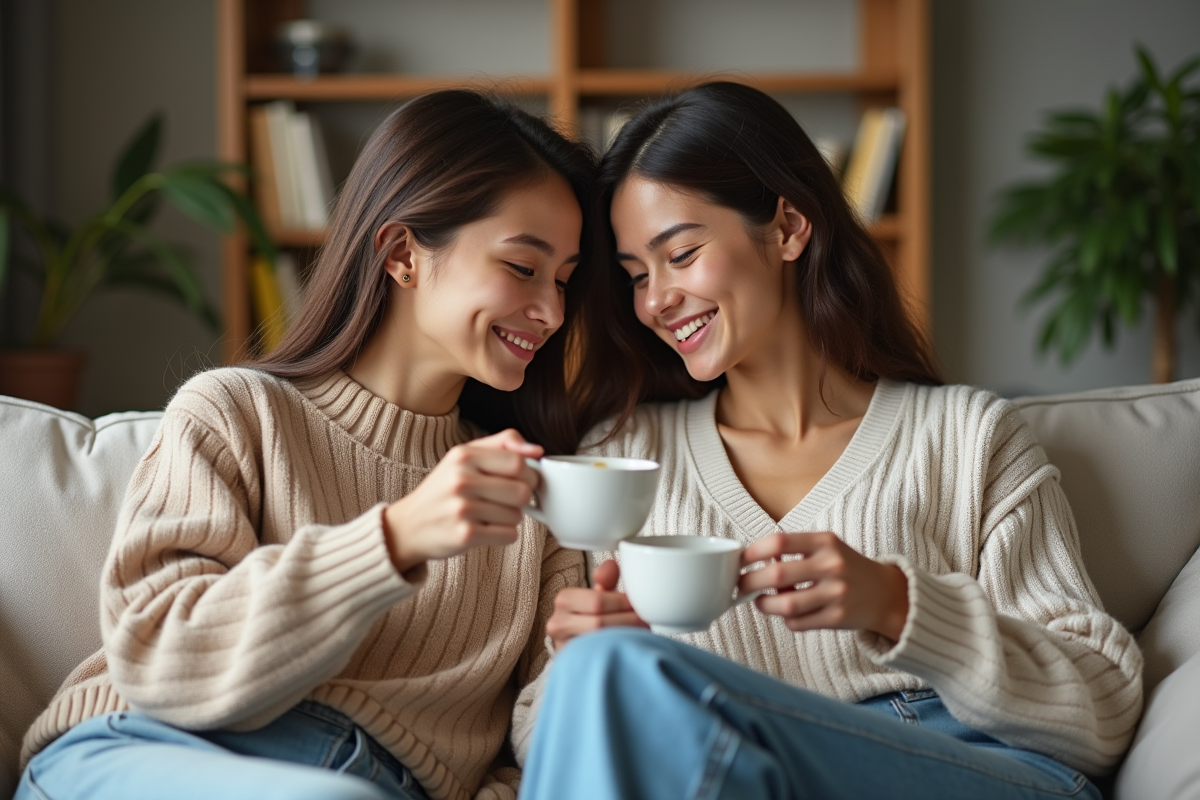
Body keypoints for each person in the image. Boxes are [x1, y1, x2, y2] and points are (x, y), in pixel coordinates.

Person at [518, 82, 1143, 800]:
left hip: (969, 766)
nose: (655, 300)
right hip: (729, 771)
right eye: (635, 277)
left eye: (681, 254)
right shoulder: (623, 459)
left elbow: (1106, 706)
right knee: (607, 673)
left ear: (787, 228)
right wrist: (572, 659)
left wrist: (897, 604)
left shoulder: (966, 436)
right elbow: (546, 745)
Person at [16, 90, 591, 800]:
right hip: (151, 750)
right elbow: (158, 657)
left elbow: (530, 763)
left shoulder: (538, 497)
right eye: (523, 268)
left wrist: (583, 662)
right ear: (403, 253)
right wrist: (393, 540)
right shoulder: (234, 412)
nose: (553, 311)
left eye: (565, 280)